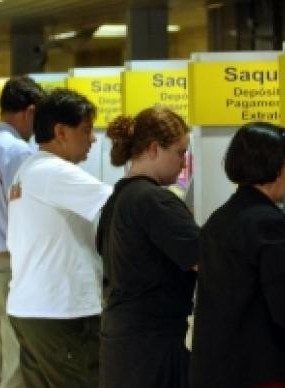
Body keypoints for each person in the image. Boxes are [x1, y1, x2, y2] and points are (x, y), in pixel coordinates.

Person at [190, 122, 285, 388]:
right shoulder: (270, 223)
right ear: (275, 167)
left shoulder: (219, 220)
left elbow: (242, 285)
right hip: (268, 371)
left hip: (220, 370)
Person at [6, 88, 112, 388]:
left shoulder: (28, 170)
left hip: (32, 308)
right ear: (61, 131)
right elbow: (126, 204)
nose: (93, 139)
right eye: (87, 130)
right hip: (62, 311)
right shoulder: (55, 172)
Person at [96, 107, 198, 388]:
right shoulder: (154, 201)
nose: (183, 162)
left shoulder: (118, 197)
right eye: (180, 152)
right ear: (154, 149)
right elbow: (205, 258)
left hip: (121, 340)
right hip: (153, 344)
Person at [0, 76, 44, 388]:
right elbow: (26, 210)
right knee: (16, 348)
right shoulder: (18, 152)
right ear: (29, 112)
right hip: (7, 263)